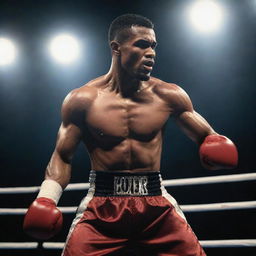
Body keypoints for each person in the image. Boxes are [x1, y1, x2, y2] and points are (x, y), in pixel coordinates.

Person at [23, 14, 238, 256]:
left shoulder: (168, 95)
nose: (151, 53)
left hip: (156, 204)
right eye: (142, 44)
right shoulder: (82, 100)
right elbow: (62, 156)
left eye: (153, 46)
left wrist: (214, 143)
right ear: (116, 48)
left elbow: (209, 136)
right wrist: (47, 199)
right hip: (102, 206)